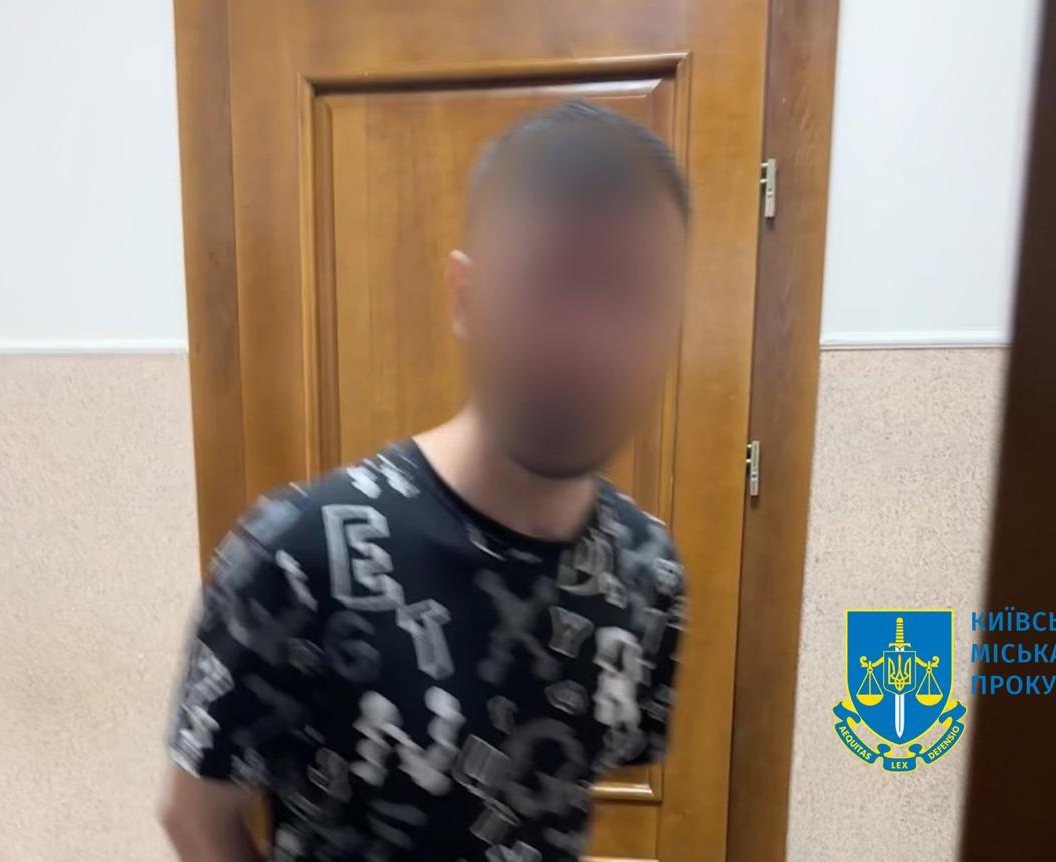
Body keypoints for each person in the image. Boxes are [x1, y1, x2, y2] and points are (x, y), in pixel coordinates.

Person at [159, 101, 690, 862]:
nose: (588, 340)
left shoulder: (649, 571)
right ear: (466, 299)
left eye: (630, 295)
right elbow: (194, 817)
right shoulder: (298, 552)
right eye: (548, 285)